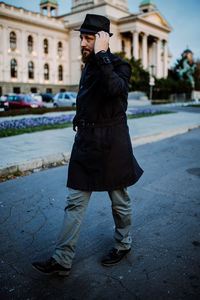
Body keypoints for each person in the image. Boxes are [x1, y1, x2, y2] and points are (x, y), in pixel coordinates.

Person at [32, 14, 143, 276]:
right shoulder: (88, 67)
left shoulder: (118, 66)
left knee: (120, 201)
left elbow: (115, 92)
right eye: (81, 37)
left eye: (88, 38)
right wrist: (79, 117)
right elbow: (92, 100)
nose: (82, 42)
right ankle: (62, 259)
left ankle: (123, 243)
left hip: (112, 146)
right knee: (75, 201)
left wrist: (102, 55)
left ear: (103, 40)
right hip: (86, 144)